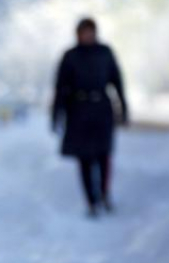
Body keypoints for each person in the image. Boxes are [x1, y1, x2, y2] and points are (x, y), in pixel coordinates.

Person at [52, 18, 128, 217]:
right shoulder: (70, 56)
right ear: (78, 34)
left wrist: (123, 107)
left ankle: (104, 194)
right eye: (83, 32)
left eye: (90, 31)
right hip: (78, 112)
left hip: (102, 109)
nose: (87, 35)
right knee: (84, 159)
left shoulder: (105, 53)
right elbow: (60, 88)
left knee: (104, 156)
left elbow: (117, 81)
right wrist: (56, 114)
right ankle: (91, 201)